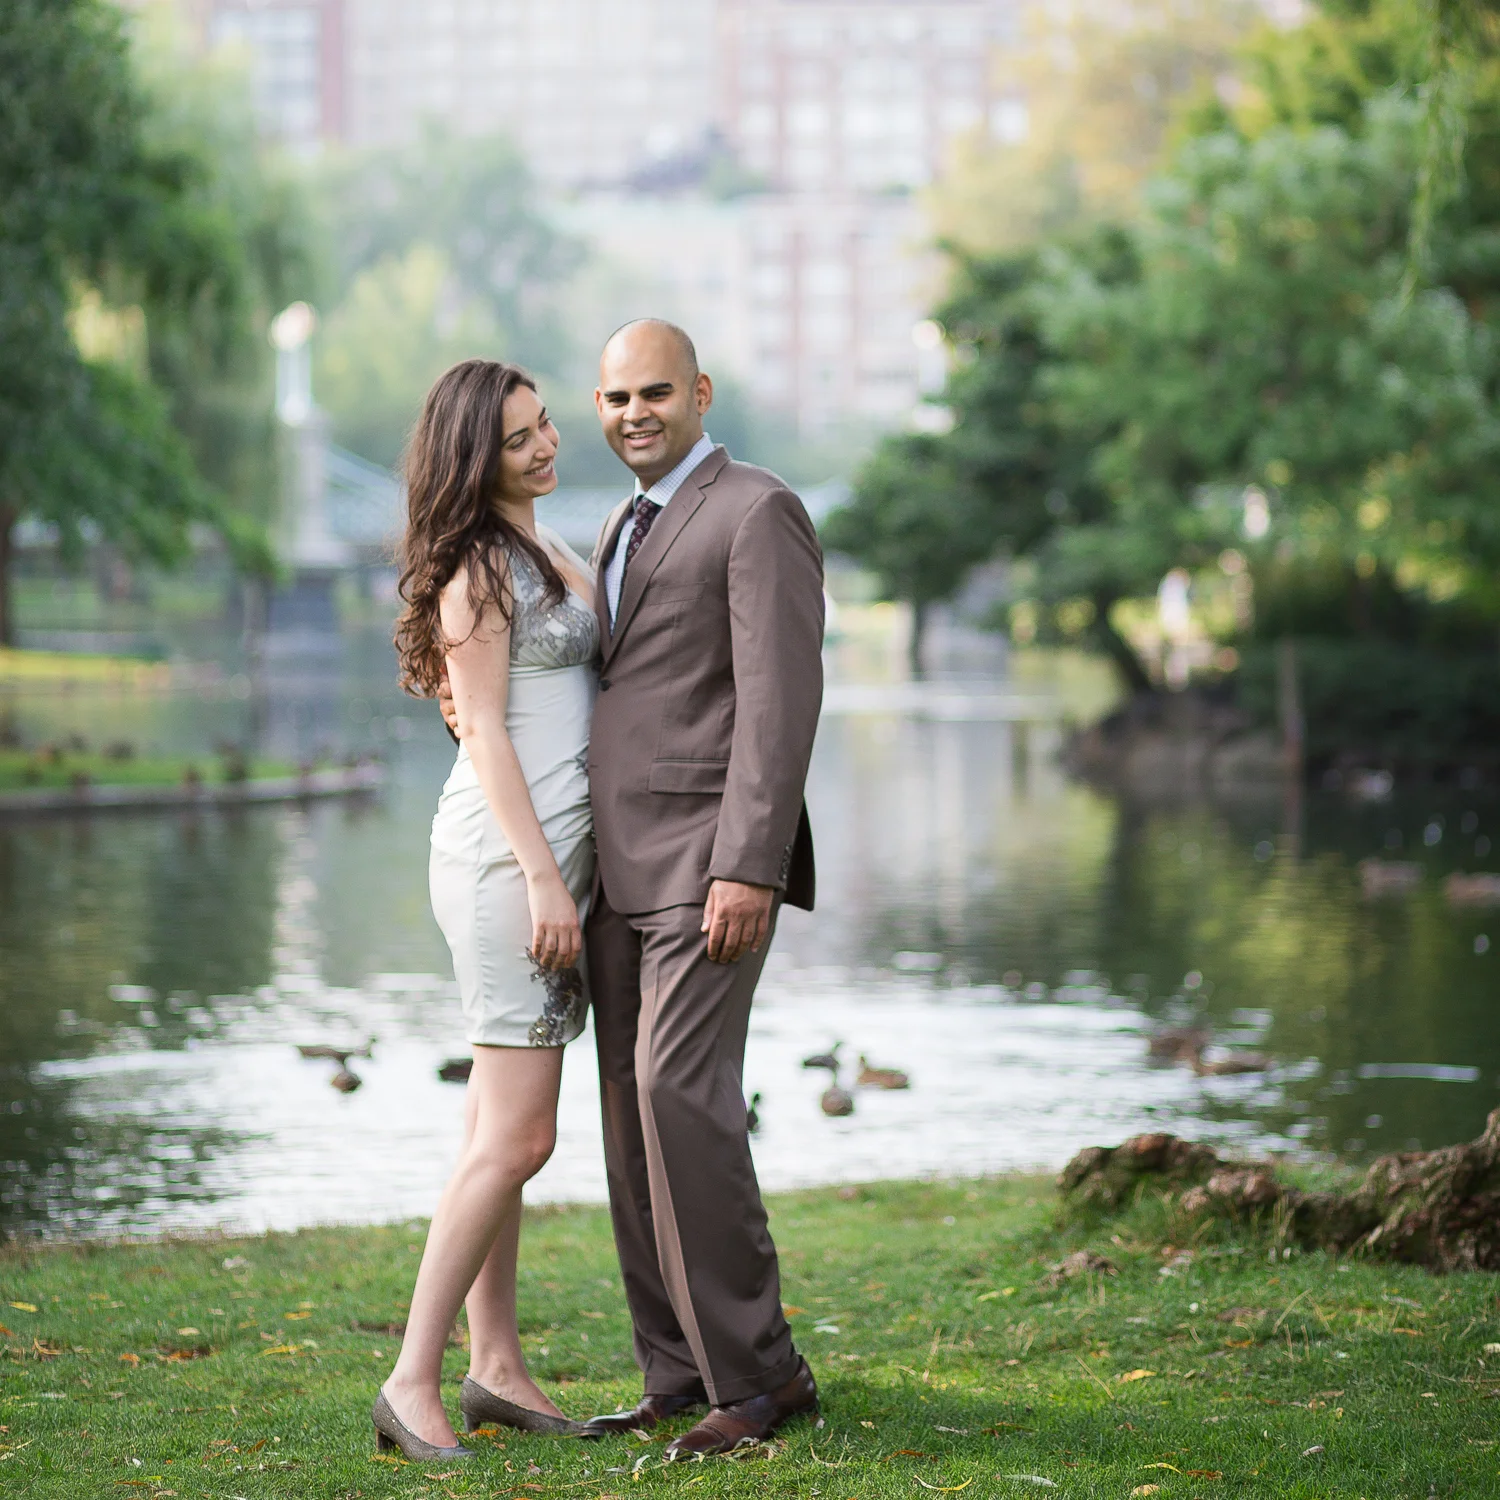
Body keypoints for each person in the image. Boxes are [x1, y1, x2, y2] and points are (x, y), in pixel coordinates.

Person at [443, 319, 825, 1458]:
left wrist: (750, 861)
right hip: (608, 869)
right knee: (626, 1115)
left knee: (677, 1090)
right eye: (613, 399)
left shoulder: (758, 511)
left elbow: (778, 702)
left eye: (656, 392)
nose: (631, 415)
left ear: (702, 393)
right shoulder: (610, 525)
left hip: (710, 869)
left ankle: (761, 1378)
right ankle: (674, 1372)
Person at [374, 359, 598, 1461]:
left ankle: (497, 1367)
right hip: (510, 866)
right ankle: (412, 1380)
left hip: (547, 861)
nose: (547, 444)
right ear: (474, 457)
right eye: (517, 439)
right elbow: (490, 734)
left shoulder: (553, 547)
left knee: (495, 1130)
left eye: (546, 424)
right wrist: (548, 876)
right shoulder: (477, 573)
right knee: (519, 1134)